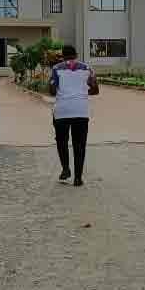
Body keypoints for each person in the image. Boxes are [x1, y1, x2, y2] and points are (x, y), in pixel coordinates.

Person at [49, 45, 99, 186]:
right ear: (76, 55)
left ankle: (65, 169)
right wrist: (81, 92)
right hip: (81, 111)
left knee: (62, 141)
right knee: (79, 145)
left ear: (62, 56)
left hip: (62, 111)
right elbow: (95, 90)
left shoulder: (56, 69)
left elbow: (52, 91)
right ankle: (78, 178)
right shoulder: (87, 68)